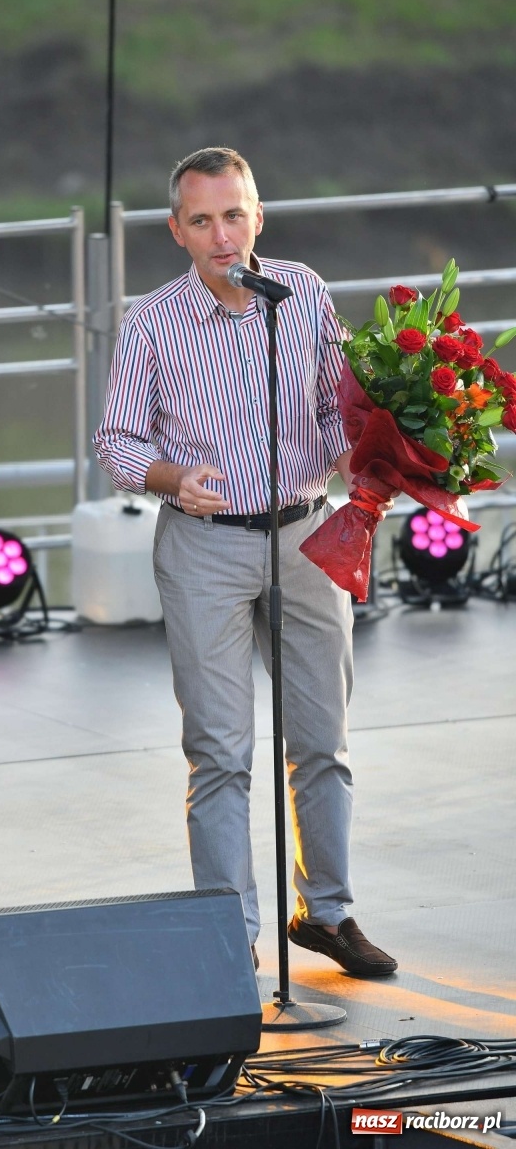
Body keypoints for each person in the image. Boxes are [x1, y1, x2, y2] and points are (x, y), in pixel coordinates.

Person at [94, 147, 397, 977]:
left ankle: (327, 914)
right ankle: (231, 937)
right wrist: (168, 477)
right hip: (204, 546)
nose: (223, 235)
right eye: (203, 221)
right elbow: (115, 439)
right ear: (177, 232)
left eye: (235, 215)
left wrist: (374, 467)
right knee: (222, 751)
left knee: (323, 739)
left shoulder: (303, 292)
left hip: (308, 534)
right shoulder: (152, 319)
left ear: (258, 215)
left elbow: (339, 411)